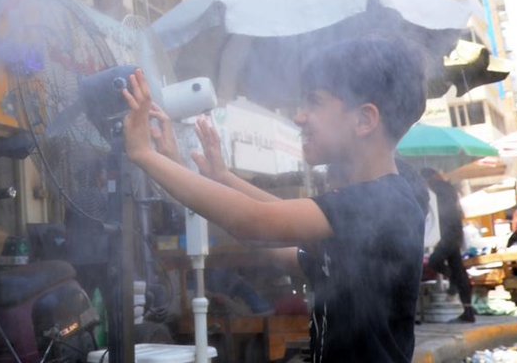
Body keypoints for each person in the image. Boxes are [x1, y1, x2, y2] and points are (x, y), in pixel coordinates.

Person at [122, 37, 427, 362]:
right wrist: (210, 176)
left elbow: (256, 222)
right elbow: (264, 237)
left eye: (314, 102)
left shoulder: (381, 203)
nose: (299, 117)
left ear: (364, 120)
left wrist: (143, 154)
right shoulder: (363, 213)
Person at [419, 168, 474, 323]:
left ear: (428, 178)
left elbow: (437, 212)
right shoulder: (448, 188)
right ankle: (468, 310)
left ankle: (453, 281)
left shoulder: (438, 188)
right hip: (453, 233)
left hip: (448, 233)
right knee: (458, 269)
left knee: (435, 261)